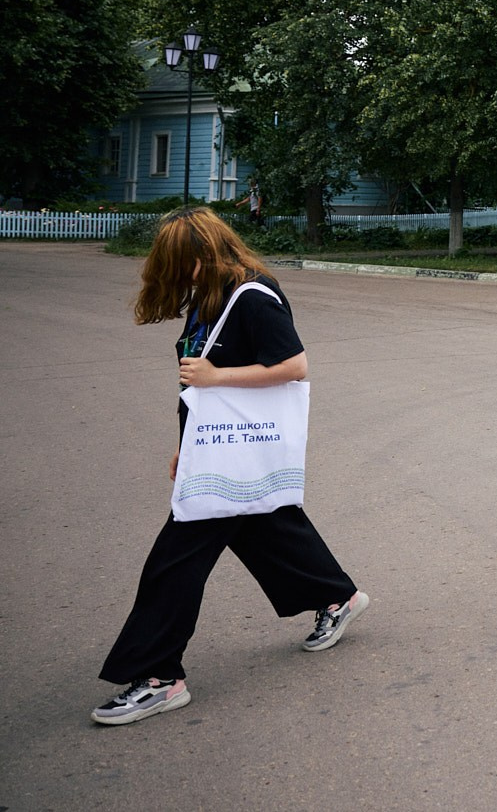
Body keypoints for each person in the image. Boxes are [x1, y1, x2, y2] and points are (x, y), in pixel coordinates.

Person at [92, 207, 368, 726]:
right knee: (264, 528)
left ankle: (159, 678)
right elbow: (196, 386)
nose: (177, 275)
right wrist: (188, 445)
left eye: (181, 264)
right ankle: (337, 596)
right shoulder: (211, 295)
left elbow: (295, 366)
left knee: (173, 562)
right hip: (220, 448)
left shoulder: (252, 296)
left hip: (236, 449)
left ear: (204, 254)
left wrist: (217, 377)